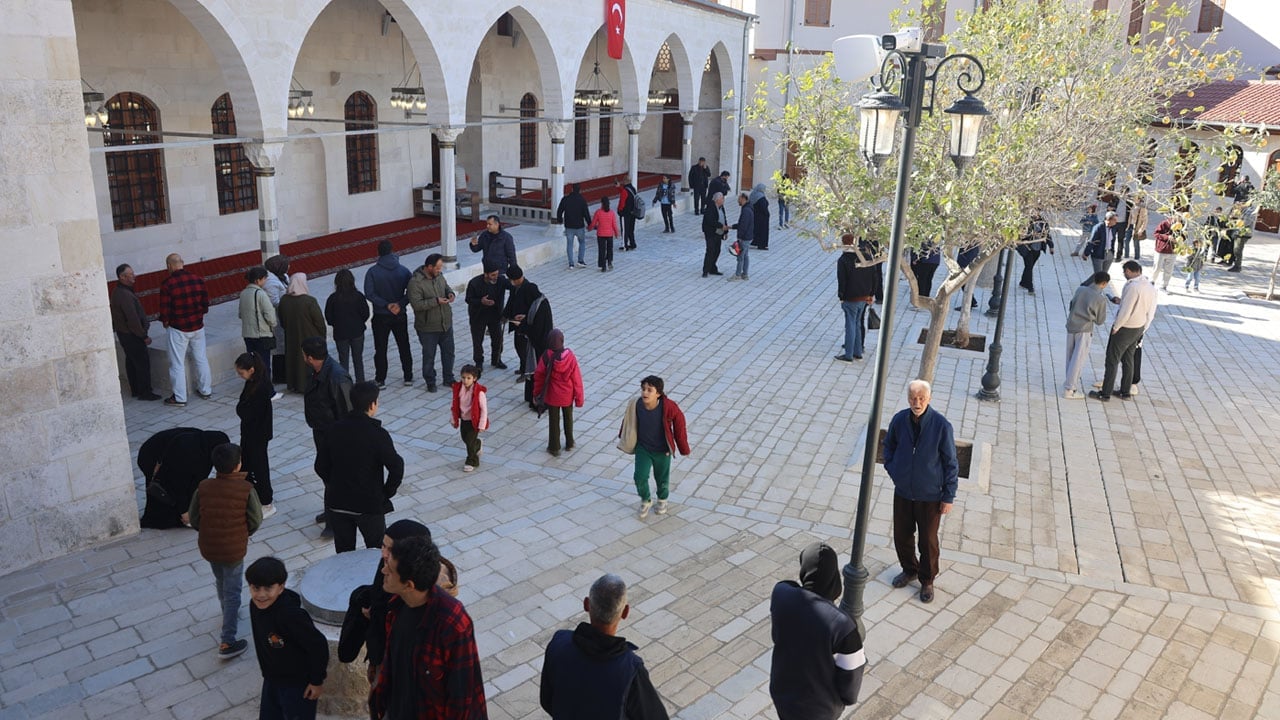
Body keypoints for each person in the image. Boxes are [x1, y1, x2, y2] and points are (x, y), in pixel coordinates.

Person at [369, 535, 487, 719]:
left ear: (409, 585)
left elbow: (462, 697)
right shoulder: (396, 607)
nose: (383, 570)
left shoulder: (452, 624)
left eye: (390, 570)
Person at [540, 574, 668, 719]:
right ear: (625, 612)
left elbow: (547, 700)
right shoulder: (630, 669)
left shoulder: (559, 643)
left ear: (587, 604)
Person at [882, 380, 959, 604]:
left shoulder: (941, 426)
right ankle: (909, 569)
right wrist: (894, 469)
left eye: (921, 398)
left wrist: (948, 496)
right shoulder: (899, 420)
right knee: (901, 536)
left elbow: (951, 463)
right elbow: (889, 445)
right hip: (904, 491)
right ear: (908, 399)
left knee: (927, 541)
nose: (917, 402)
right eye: (913, 398)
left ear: (929, 399)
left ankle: (927, 580)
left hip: (930, 496)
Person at [769, 542, 865, 720]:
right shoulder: (843, 626)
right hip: (820, 708)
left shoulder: (781, 595)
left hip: (782, 694)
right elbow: (851, 682)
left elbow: (788, 585)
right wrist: (841, 701)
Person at [186, 442, 262, 659]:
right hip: (233, 549)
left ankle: (226, 611)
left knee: (220, 580)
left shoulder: (204, 486)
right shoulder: (246, 489)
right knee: (233, 590)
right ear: (238, 465)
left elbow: (194, 518)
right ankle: (228, 641)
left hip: (209, 546)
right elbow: (255, 520)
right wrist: (243, 534)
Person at [316, 382, 404, 553]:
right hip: (369, 505)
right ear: (372, 405)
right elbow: (396, 466)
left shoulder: (334, 429)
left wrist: (334, 483)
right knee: (376, 554)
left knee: (344, 555)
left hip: (338, 503)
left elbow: (320, 466)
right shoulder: (377, 434)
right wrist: (386, 492)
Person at [246, 557, 328, 720]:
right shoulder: (254, 605)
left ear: (281, 587)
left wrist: (316, 681)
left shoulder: (290, 615)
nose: (261, 595)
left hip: (297, 686)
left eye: (268, 588)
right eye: (256, 588)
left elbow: (318, 645)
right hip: (271, 679)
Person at [363, 520, 433, 685]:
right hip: (383, 655)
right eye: (383, 546)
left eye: (390, 549)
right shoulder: (389, 563)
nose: (384, 554)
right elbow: (379, 595)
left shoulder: (425, 600)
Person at [617, 375, 690, 519]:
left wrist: (683, 448)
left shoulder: (669, 406)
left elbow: (680, 425)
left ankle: (662, 500)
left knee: (661, 479)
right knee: (639, 476)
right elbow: (628, 421)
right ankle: (646, 499)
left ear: (658, 394)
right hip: (643, 448)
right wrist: (623, 437)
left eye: (649, 390)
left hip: (662, 451)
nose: (645, 393)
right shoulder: (636, 404)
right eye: (643, 389)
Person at [302, 337, 353, 536]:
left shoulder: (337, 377)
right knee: (326, 473)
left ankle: (335, 521)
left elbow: (348, 411)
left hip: (335, 437)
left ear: (310, 357)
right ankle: (330, 510)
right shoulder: (317, 372)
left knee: (334, 478)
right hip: (322, 432)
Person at [1089, 261, 1157, 401]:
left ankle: (1105, 393)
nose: (1124, 274)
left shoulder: (1132, 287)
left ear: (1132, 271)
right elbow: (1151, 310)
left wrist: (1116, 326)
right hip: (1139, 327)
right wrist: (1144, 328)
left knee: (1112, 360)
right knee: (1128, 358)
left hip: (1126, 327)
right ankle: (1125, 391)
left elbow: (1126, 310)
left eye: (1125, 271)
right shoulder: (1149, 286)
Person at [137, 428, 229, 529]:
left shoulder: (205, 447)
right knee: (163, 490)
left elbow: (196, 480)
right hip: (151, 456)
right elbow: (179, 485)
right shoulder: (189, 453)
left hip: (171, 455)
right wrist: (184, 512)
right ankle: (160, 519)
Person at [159, 253, 211, 407]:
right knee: (201, 358)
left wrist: (166, 322)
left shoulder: (167, 284)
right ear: (182, 263)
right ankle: (205, 390)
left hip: (178, 328)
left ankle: (180, 397)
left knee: (177, 364)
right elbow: (205, 305)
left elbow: (165, 310)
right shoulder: (197, 279)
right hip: (197, 327)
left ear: (169, 266)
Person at [364, 239, 414, 389]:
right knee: (404, 345)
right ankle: (408, 376)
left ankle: (380, 379)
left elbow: (369, 293)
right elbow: (412, 291)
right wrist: (400, 304)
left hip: (381, 315)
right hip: (400, 314)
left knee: (380, 348)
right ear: (392, 251)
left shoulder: (373, 272)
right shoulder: (404, 270)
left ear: (378, 253)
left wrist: (386, 305)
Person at [407, 253, 457, 393]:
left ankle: (448, 378)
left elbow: (446, 287)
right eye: (438, 267)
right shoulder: (415, 283)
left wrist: (450, 293)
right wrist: (436, 301)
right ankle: (430, 381)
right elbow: (416, 304)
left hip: (445, 323)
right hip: (428, 327)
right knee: (429, 356)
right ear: (429, 267)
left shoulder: (439, 276)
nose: (440, 270)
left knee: (449, 353)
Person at [110, 263, 159, 401]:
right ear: (122, 277)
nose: (134, 276)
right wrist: (143, 336)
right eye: (130, 274)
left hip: (125, 334)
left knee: (131, 361)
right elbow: (132, 318)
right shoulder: (124, 295)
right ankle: (145, 392)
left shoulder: (120, 291)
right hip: (131, 335)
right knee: (141, 363)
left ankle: (136, 390)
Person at [235, 352, 276, 517]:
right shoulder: (253, 383)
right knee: (246, 464)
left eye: (241, 372)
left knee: (259, 467)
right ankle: (248, 495)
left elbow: (248, 411)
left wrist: (242, 410)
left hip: (257, 435)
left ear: (251, 370)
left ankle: (267, 502)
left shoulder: (260, 387)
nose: (240, 376)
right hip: (250, 433)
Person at [532, 329, 585, 457]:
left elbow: (539, 377)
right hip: (567, 394)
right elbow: (576, 378)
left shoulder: (546, 356)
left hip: (552, 395)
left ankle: (554, 447)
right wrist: (579, 398)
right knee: (568, 418)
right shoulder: (570, 356)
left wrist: (536, 393)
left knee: (553, 421)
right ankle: (569, 442)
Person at [502, 265, 554, 385]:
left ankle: (527, 371)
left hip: (526, 326)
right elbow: (511, 302)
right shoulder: (515, 288)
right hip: (518, 324)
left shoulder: (529, 288)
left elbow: (533, 310)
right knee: (518, 346)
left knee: (524, 349)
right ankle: (522, 366)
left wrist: (524, 319)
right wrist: (505, 315)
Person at [1063, 272, 1111, 399]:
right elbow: (1100, 321)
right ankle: (1070, 388)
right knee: (1078, 359)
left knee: (1070, 356)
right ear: (1104, 284)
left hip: (1071, 325)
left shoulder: (1080, 289)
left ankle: (1068, 381)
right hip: (1084, 329)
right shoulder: (1100, 299)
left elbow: (1071, 305)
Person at [835, 235, 883, 362]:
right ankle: (858, 351)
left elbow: (842, 280)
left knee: (850, 324)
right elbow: (875, 277)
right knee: (857, 323)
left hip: (851, 297)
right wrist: (871, 294)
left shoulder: (844, 260)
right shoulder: (866, 257)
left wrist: (841, 296)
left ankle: (849, 354)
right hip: (864, 297)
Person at [278, 273, 327, 393]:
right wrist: (322, 336)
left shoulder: (284, 300)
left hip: (291, 337)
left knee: (293, 360)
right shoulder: (309, 301)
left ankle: (294, 384)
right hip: (309, 337)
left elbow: (282, 319)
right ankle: (307, 385)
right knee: (307, 363)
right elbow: (319, 322)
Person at [325, 268, 370, 383]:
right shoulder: (358, 296)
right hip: (357, 332)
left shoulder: (332, 299)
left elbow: (329, 318)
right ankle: (361, 383)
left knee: (343, 360)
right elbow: (365, 314)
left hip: (341, 333)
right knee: (358, 359)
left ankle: (344, 384)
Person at [464, 261, 509, 370]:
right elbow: (468, 299)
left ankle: (496, 359)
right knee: (478, 340)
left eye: (497, 274)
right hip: (478, 315)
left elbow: (513, 285)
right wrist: (481, 301)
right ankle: (479, 361)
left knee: (498, 338)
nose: (495, 277)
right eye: (493, 275)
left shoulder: (501, 280)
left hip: (495, 314)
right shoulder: (474, 283)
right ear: (486, 274)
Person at [239, 267, 279, 383]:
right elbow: (270, 316)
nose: (266, 281)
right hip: (261, 335)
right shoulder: (261, 294)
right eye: (264, 279)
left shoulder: (243, 293)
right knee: (264, 364)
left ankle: (255, 385)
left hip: (247, 334)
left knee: (253, 364)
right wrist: (273, 325)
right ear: (258, 280)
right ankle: (268, 391)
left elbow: (240, 314)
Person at [451, 365, 488, 472]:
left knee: (469, 442)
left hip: (474, 421)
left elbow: (484, 410)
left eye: (468, 378)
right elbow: (454, 404)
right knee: (465, 439)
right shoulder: (458, 389)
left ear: (474, 378)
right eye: (463, 377)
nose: (465, 381)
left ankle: (472, 461)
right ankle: (478, 444)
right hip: (464, 419)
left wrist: (482, 425)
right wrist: (453, 419)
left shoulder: (479, 392)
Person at [1016, 215, 1054, 295]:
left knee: (1029, 267)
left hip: (1037, 249)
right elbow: (1021, 235)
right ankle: (1030, 287)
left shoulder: (1043, 223)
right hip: (1027, 248)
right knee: (1029, 266)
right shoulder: (1026, 222)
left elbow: (1047, 235)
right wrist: (1032, 235)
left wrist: (1051, 246)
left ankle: (1023, 283)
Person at [556, 183, 591, 268]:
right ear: (579, 190)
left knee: (569, 245)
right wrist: (590, 224)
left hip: (569, 226)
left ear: (572, 189)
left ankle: (571, 263)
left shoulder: (566, 199)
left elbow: (559, 210)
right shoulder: (582, 200)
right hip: (579, 226)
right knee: (582, 243)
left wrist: (560, 220)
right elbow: (586, 213)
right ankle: (580, 260)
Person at [701, 192, 729, 278]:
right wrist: (721, 226)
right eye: (722, 199)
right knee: (710, 251)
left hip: (718, 233)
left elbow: (724, 218)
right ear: (717, 199)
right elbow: (710, 221)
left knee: (717, 250)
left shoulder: (721, 208)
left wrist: (725, 231)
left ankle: (712, 268)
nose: (723, 200)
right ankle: (705, 270)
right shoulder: (711, 208)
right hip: (711, 233)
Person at [589, 196, 620, 273]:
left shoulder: (598, 212)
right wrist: (617, 233)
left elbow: (593, 223)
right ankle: (609, 262)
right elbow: (614, 225)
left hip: (601, 234)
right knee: (610, 249)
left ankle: (603, 266)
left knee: (602, 250)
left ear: (601, 203)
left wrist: (589, 228)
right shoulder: (612, 213)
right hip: (609, 234)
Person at [1151, 214, 1181, 290]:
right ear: (1173, 216)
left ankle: (1164, 286)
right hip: (1161, 250)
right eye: (1178, 217)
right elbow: (1156, 234)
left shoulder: (1181, 226)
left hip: (1173, 251)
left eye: (1180, 218)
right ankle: (1152, 281)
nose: (1179, 219)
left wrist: (1179, 239)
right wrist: (1167, 237)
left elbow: (1184, 236)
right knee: (1157, 268)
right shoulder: (1164, 223)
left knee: (1169, 270)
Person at [728, 191, 753, 281]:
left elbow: (743, 225)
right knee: (745, 256)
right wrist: (732, 227)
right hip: (749, 236)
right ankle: (745, 274)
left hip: (745, 237)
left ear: (743, 199)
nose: (738, 201)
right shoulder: (748, 208)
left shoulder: (746, 210)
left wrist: (740, 238)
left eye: (739, 199)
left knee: (740, 257)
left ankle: (738, 275)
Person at [616, 178, 639, 251]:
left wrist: (619, 211)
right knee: (631, 229)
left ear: (625, 181)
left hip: (625, 213)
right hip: (633, 212)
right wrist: (619, 187)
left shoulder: (625, 191)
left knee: (625, 230)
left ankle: (624, 245)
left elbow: (622, 202)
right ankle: (632, 244)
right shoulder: (633, 189)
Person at [749, 182, 770, 250]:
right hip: (762, 217)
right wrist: (767, 214)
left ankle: (755, 242)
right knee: (763, 231)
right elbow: (763, 206)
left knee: (756, 230)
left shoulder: (753, 194)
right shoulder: (760, 197)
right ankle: (762, 245)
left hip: (756, 215)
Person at [1126, 194, 1149, 259]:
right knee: (1126, 241)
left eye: (1135, 198)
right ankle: (1126, 256)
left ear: (1139, 199)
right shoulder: (1133, 206)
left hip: (1137, 227)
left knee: (1136, 243)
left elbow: (1145, 221)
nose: (1134, 199)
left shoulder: (1143, 208)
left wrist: (1141, 229)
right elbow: (1130, 216)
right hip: (1130, 226)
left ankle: (1136, 257)